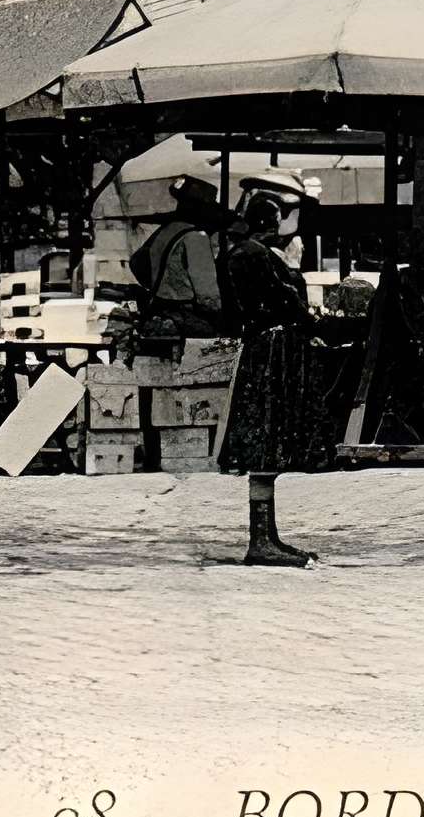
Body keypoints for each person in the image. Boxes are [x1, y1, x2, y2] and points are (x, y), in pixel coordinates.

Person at [217, 175, 328, 567]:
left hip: (263, 350)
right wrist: (294, 270)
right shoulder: (255, 255)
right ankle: (261, 540)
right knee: (267, 441)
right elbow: (288, 301)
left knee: (267, 445)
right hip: (271, 354)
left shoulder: (241, 252)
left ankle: (267, 536)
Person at [137, 178, 230, 341]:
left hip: (159, 309)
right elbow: (207, 294)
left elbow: (136, 263)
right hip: (185, 318)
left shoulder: (167, 230)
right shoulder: (196, 238)